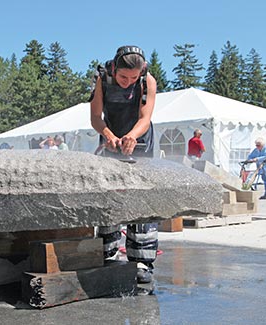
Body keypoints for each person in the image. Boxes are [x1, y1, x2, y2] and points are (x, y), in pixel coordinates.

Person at [90, 45, 158, 284]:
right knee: (110, 198)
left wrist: (132, 136)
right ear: (114, 69)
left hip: (139, 141)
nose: (128, 82)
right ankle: (106, 254)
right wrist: (108, 134)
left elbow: (145, 118)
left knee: (139, 199)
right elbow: (96, 117)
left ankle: (141, 261)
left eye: (133, 77)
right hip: (110, 137)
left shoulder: (147, 81)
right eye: (123, 77)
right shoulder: (103, 78)